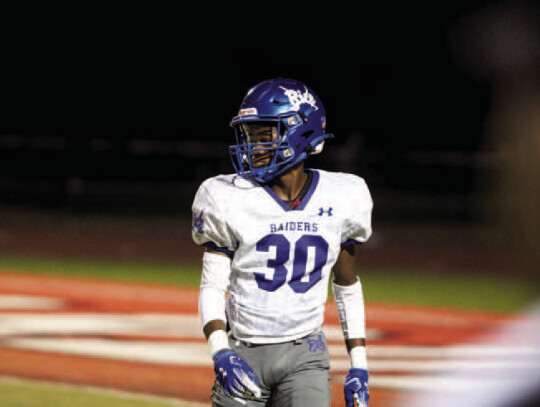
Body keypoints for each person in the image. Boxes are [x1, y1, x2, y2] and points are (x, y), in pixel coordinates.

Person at [191, 78, 373, 406]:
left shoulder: (344, 195)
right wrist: (220, 352)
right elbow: (212, 286)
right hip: (244, 352)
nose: (254, 147)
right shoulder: (225, 195)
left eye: (265, 135)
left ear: (300, 132)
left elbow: (347, 285)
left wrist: (359, 366)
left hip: (307, 354)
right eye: (249, 136)